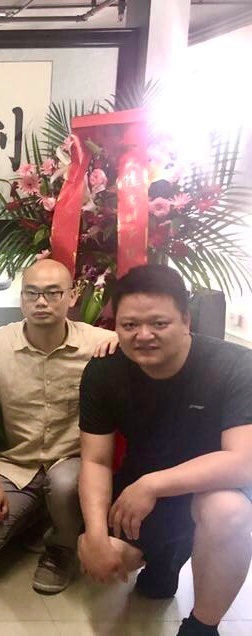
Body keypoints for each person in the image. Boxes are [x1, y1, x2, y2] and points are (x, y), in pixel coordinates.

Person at [78, 264, 252, 636]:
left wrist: (153, 484)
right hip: (141, 490)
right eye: (129, 325)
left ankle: (202, 627)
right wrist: (95, 534)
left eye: (159, 323)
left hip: (210, 487)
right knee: (110, 554)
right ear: (115, 326)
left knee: (229, 512)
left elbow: (243, 463)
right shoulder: (104, 371)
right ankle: (164, 562)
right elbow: (95, 459)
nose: (143, 335)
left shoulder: (235, 366)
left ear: (186, 319)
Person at [0, 258, 117, 594]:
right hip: (17, 465)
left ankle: (60, 548)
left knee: (62, 485)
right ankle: (42, 516)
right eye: (31, 293)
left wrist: (121, 343)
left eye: (52, 293)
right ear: (21, 298)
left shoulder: (99, 342)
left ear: (72, 295)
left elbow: (143, 343)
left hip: (70, 462)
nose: (41, 302)